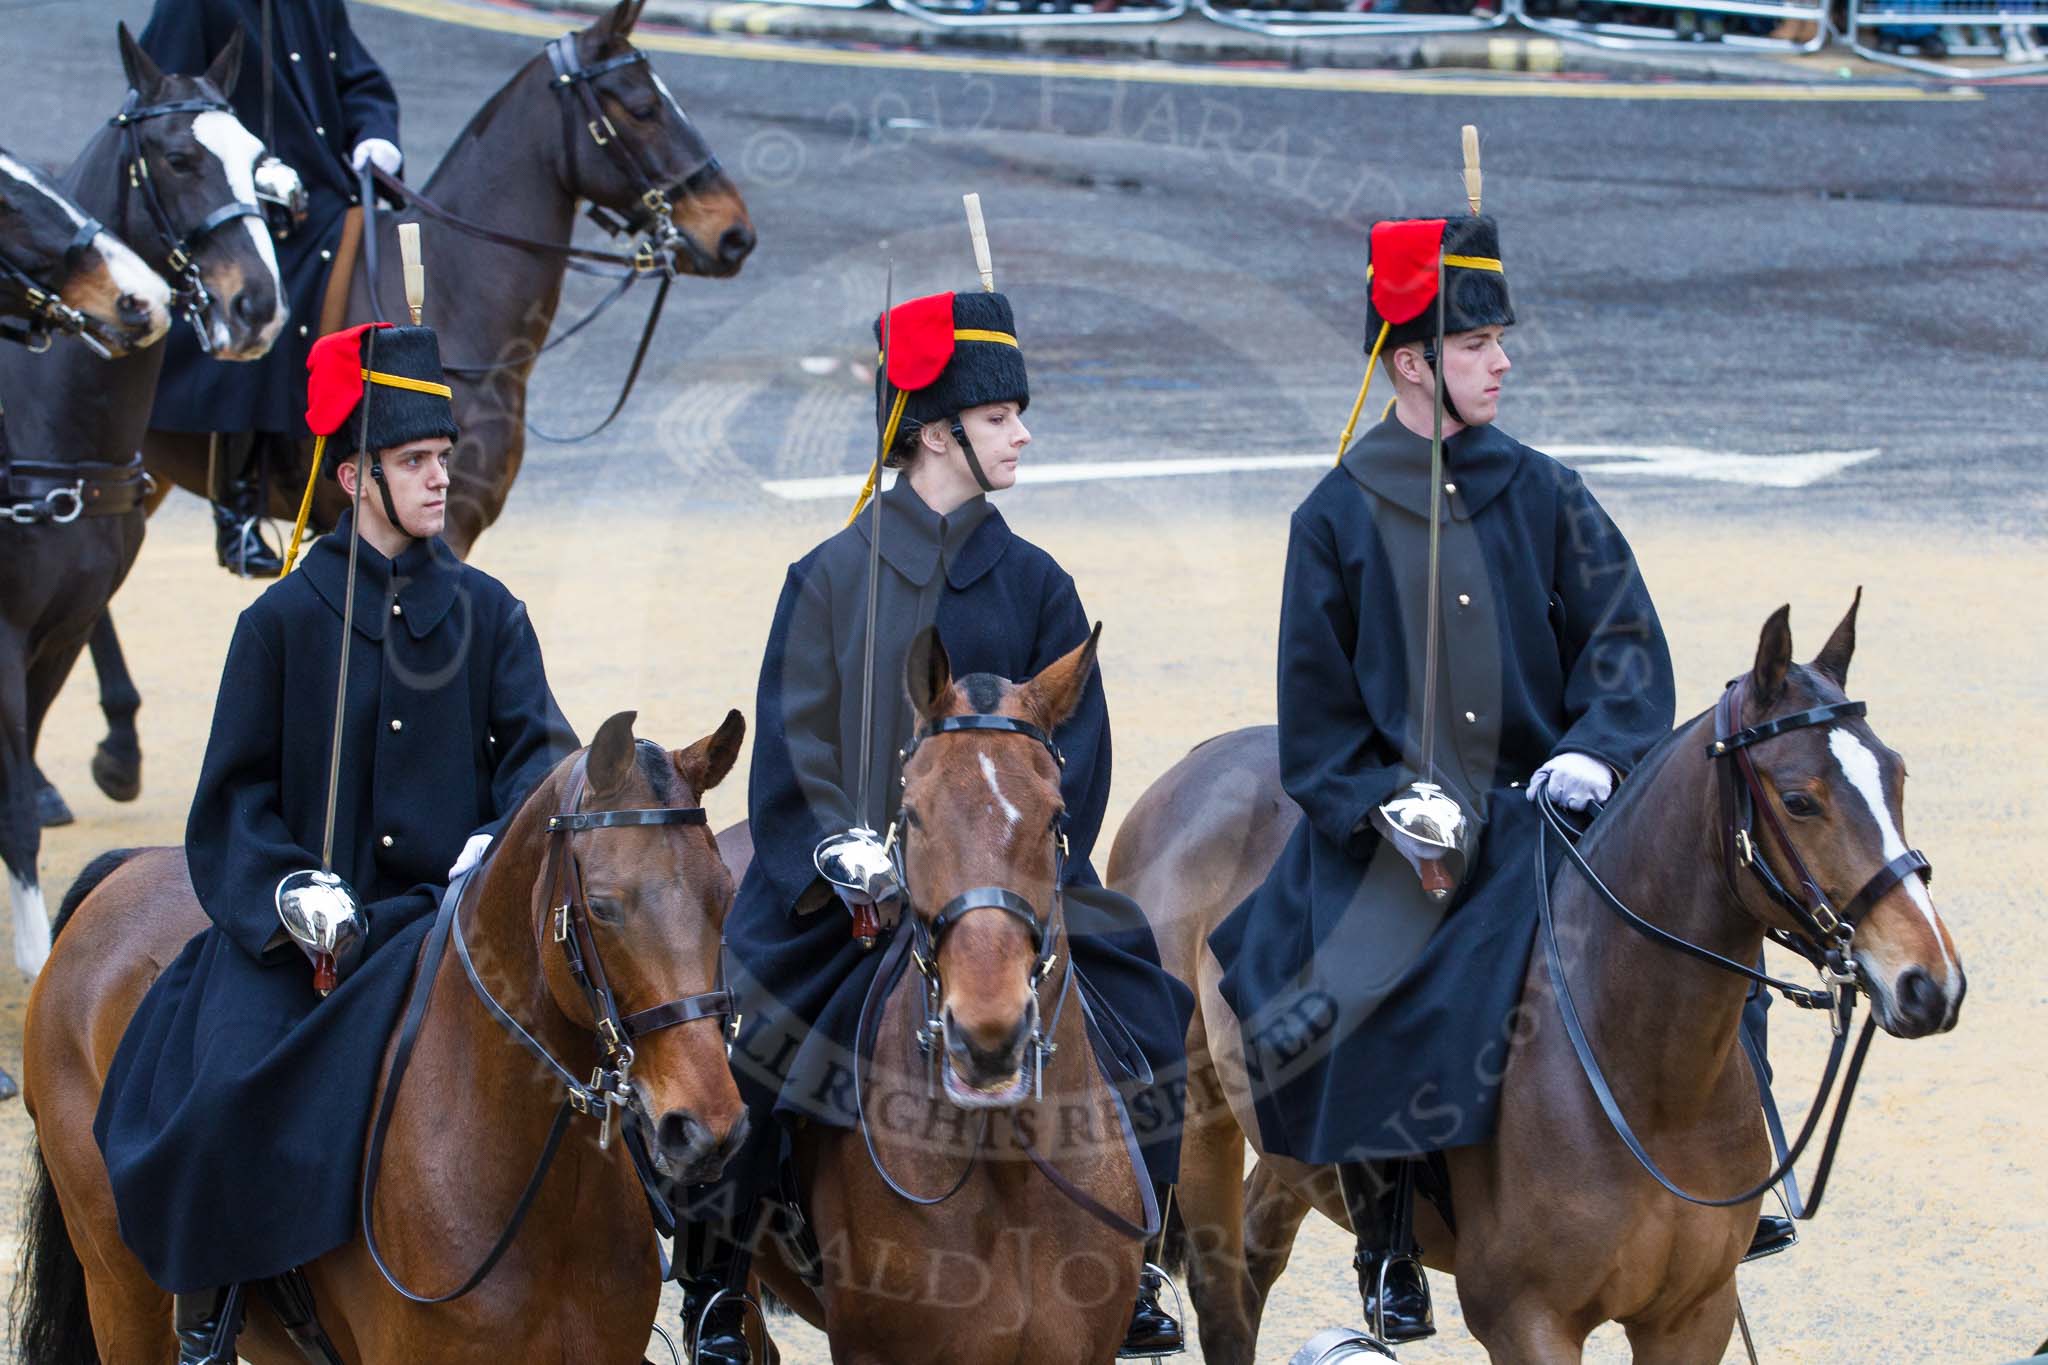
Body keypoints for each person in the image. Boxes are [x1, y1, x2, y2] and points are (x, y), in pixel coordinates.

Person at [684, 288, 1195, 1364]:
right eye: (1002, 415)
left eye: (1017, 414)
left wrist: (1020, 860)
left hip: (1006, 882)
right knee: (757, 1046)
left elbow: (1076, 748)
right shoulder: (824, 579)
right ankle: (721, 1283)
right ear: (934, 429)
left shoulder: (1038, 581)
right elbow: (791, 745)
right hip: (849, 897)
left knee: (1149, 1005)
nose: (1022, 434)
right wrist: (836, 846)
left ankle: (1139, 1257)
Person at [1207, 210, 1685, 1344]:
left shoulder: (1551, 493)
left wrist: (1592, 749)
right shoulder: (1331, 518)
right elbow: (1315, 724)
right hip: (1402, 835)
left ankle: (1721, 1178)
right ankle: (1385, 1230)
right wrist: (1386, 797)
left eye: (1499, 341)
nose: (1503, 361)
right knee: (1362, 976)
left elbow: (1625, 648)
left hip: (1561, 815)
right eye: (1476, 347)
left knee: (1700, 923)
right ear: (1413, 362)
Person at [92, 322, 577, 1365]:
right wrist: (288, 893)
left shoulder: (490, 615)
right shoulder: (279, 622)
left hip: (448, 924)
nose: (442, 479)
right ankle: (212, 1310)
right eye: (415, 463)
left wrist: (491, 844)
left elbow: (542, 755)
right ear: (358, 477)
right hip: (315, 935)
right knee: (222, 1094)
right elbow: (231, 800)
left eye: (444, 459)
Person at [140, 0, 403, 576]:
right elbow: (165, 99)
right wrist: (247, 168)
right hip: (234, 196)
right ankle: (237, 498)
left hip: (327, 188)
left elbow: (356, 78)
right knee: (262, 285)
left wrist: (376, 136)